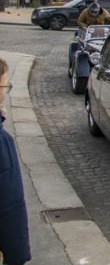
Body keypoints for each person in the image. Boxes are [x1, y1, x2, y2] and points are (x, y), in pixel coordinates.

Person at [0, 58, 32, 265]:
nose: (5, 92)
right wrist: (17, 256)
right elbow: (10, 206)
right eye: (4, 86)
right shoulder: (2, 141)